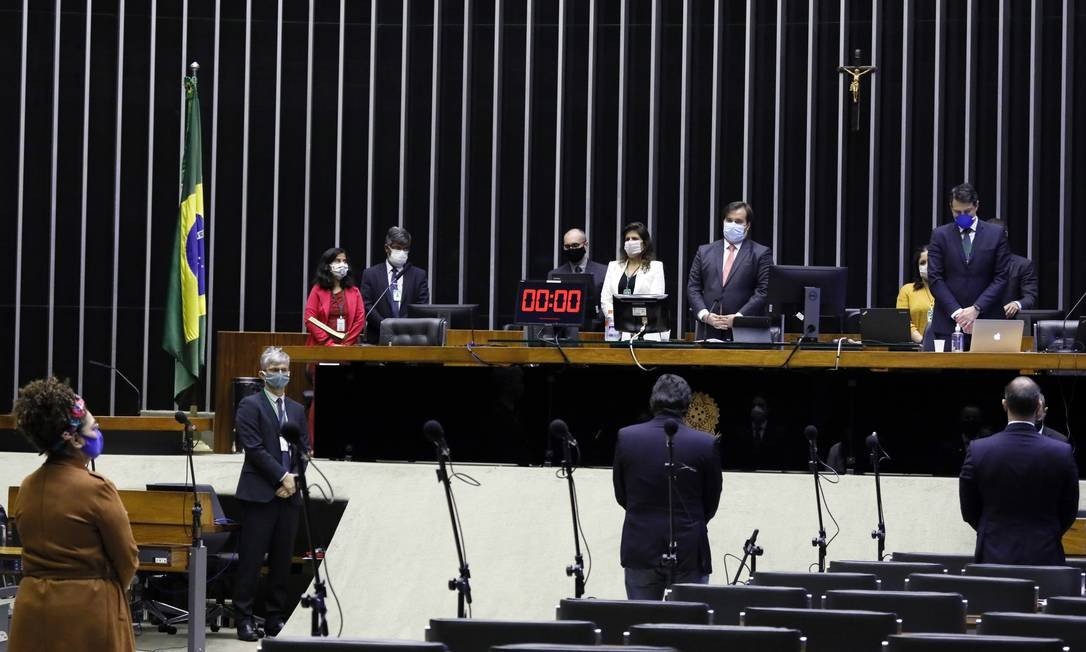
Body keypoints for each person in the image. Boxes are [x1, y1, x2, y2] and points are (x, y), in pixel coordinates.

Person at [8, 377, 138, 652]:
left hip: (32, 608)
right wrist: (109, 591)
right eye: (93, 425)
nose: (99, 429)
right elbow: (127, 558)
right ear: (76, 439)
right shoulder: (97, 488)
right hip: (87, 608)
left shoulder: (27, 486)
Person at [612, 374, 722, 600]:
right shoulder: (705, 444)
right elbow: (711, 501)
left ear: (653, 401)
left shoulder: (627, 438)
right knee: (688, 630)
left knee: (642, 627)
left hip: (641, 545)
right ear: (687, 405)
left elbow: (622, 494)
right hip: (690, 548)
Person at [233, 346, 310, 641]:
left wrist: (295, 480)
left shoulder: (296, 409)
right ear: (263, 374)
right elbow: (253, 448)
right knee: (252, 560)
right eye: (275, 370)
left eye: (285, 369)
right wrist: (281, 477)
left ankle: (275, 618)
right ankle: (244, 618)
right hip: (260, 493)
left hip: (290, 495)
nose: (282, 375)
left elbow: (303, 450)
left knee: (282, 560)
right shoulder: (250, 405)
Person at [959, 376, 1079, 565]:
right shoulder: (1061, 451)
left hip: (993, 553)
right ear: (1039, 406)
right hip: (1045, 554)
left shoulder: (978, 450)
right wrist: (1047, 532)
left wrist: (991, 531)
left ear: (1004, 404)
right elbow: (1069, 510)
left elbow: (969, 510)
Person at [925, 183, 1010, 350]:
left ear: (977, 205)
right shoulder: (939, 235)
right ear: (951, 208)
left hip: (988, 321)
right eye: (957, 212)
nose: (963, 216)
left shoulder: (996, 234)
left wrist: (976, 308)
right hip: (948, 323)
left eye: (967, 211)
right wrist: (958, 314)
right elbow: (935, 277)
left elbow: (1001, 277)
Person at [687, 201, 774, 340]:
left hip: (746, 331)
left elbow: (764, 291)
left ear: (748, 226)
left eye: (738, 221)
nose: (732, 224)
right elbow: (693, 287)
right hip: (708, 329)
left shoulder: (760, 253)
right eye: (729, 220)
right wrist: (704, 315)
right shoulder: (704, 252)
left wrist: (739, 318)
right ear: (723, 222)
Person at [361, 226, 431, 344]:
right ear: (387, 248)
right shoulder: (370, 274)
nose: (402, 253)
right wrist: (384, 326)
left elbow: (421, 306)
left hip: (409, 338)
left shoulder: (418, 275)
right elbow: (366, 305)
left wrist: (402, 328)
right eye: (398, 248)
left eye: (405, 249)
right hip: (377, 337)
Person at [600, 221, 669, 340]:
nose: (630, 242)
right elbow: (605, 299)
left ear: (645, 243)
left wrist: (633, 321)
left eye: (635, 238)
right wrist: (617, 321)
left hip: (646, 333)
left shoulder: (655, 267)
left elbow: (654, 302)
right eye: (627, 239)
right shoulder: (613, 266)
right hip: (616, 332)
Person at [548, 227, 608, 330]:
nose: (571, 249)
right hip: (564, 332)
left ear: (586, 244)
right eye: (567, 246)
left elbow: (608, 303)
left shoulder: (604, 272)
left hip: (596, 332)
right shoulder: (554, 274)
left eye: (575, 245)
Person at [304, 247, 366, 346]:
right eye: (337, 261)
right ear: (327, 266)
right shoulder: (317, 290)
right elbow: (309, 318)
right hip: (320, 347)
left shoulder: (354, 291)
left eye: (344, 261)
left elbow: (360, 321)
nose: (342, 265)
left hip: (347, 349)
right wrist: (328, 343)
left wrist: (346, 344)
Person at [986, 218, 1039, 318]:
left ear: (1005, 235)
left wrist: (1017, 304)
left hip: (1010, 321)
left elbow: (1030, 297)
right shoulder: (975, 263)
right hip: (978, 321)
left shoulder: (1023, 265)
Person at [896, 246, 935, 344]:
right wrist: (923, 342)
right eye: (922, 263)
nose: (927, 266)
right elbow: (903, 321)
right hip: (917, 347)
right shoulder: (907, 290)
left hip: (946, 348)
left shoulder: (950, 288)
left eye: (930, 261)